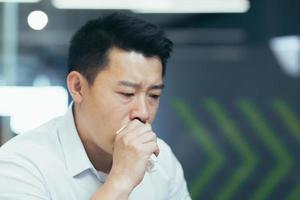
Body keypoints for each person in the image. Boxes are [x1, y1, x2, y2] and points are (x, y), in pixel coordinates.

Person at [0, 13, 191, 200]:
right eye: (127, 93)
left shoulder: (162, 161)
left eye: (154, 95)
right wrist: (120, 182)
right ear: (78, 87)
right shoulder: (20, 164)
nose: (143, 112)